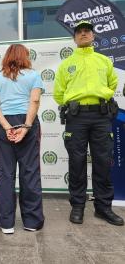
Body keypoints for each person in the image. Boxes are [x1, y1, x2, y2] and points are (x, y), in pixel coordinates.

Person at [54, 20, 124, 226]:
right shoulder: (66, 64)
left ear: (93, 36)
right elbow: (59, 93)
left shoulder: (104, 61)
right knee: (76, 163)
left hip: (101, 116)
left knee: (102, 162)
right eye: (80, 32)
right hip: (76, 117)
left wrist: (102, 96)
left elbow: (112, 83)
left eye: (87, 31)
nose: (84, 34)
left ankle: (103, 208)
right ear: (74, 38)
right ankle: (78, 206)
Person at [0, 44, 44, 234]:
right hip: (26, 120)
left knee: (6, 173)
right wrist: (26, 127)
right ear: (25, 56)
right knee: (30, 172)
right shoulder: (34, 75)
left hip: (4, 124)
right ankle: (32, 222)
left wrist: (6, 127)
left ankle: (6, 223)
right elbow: (34, 101)